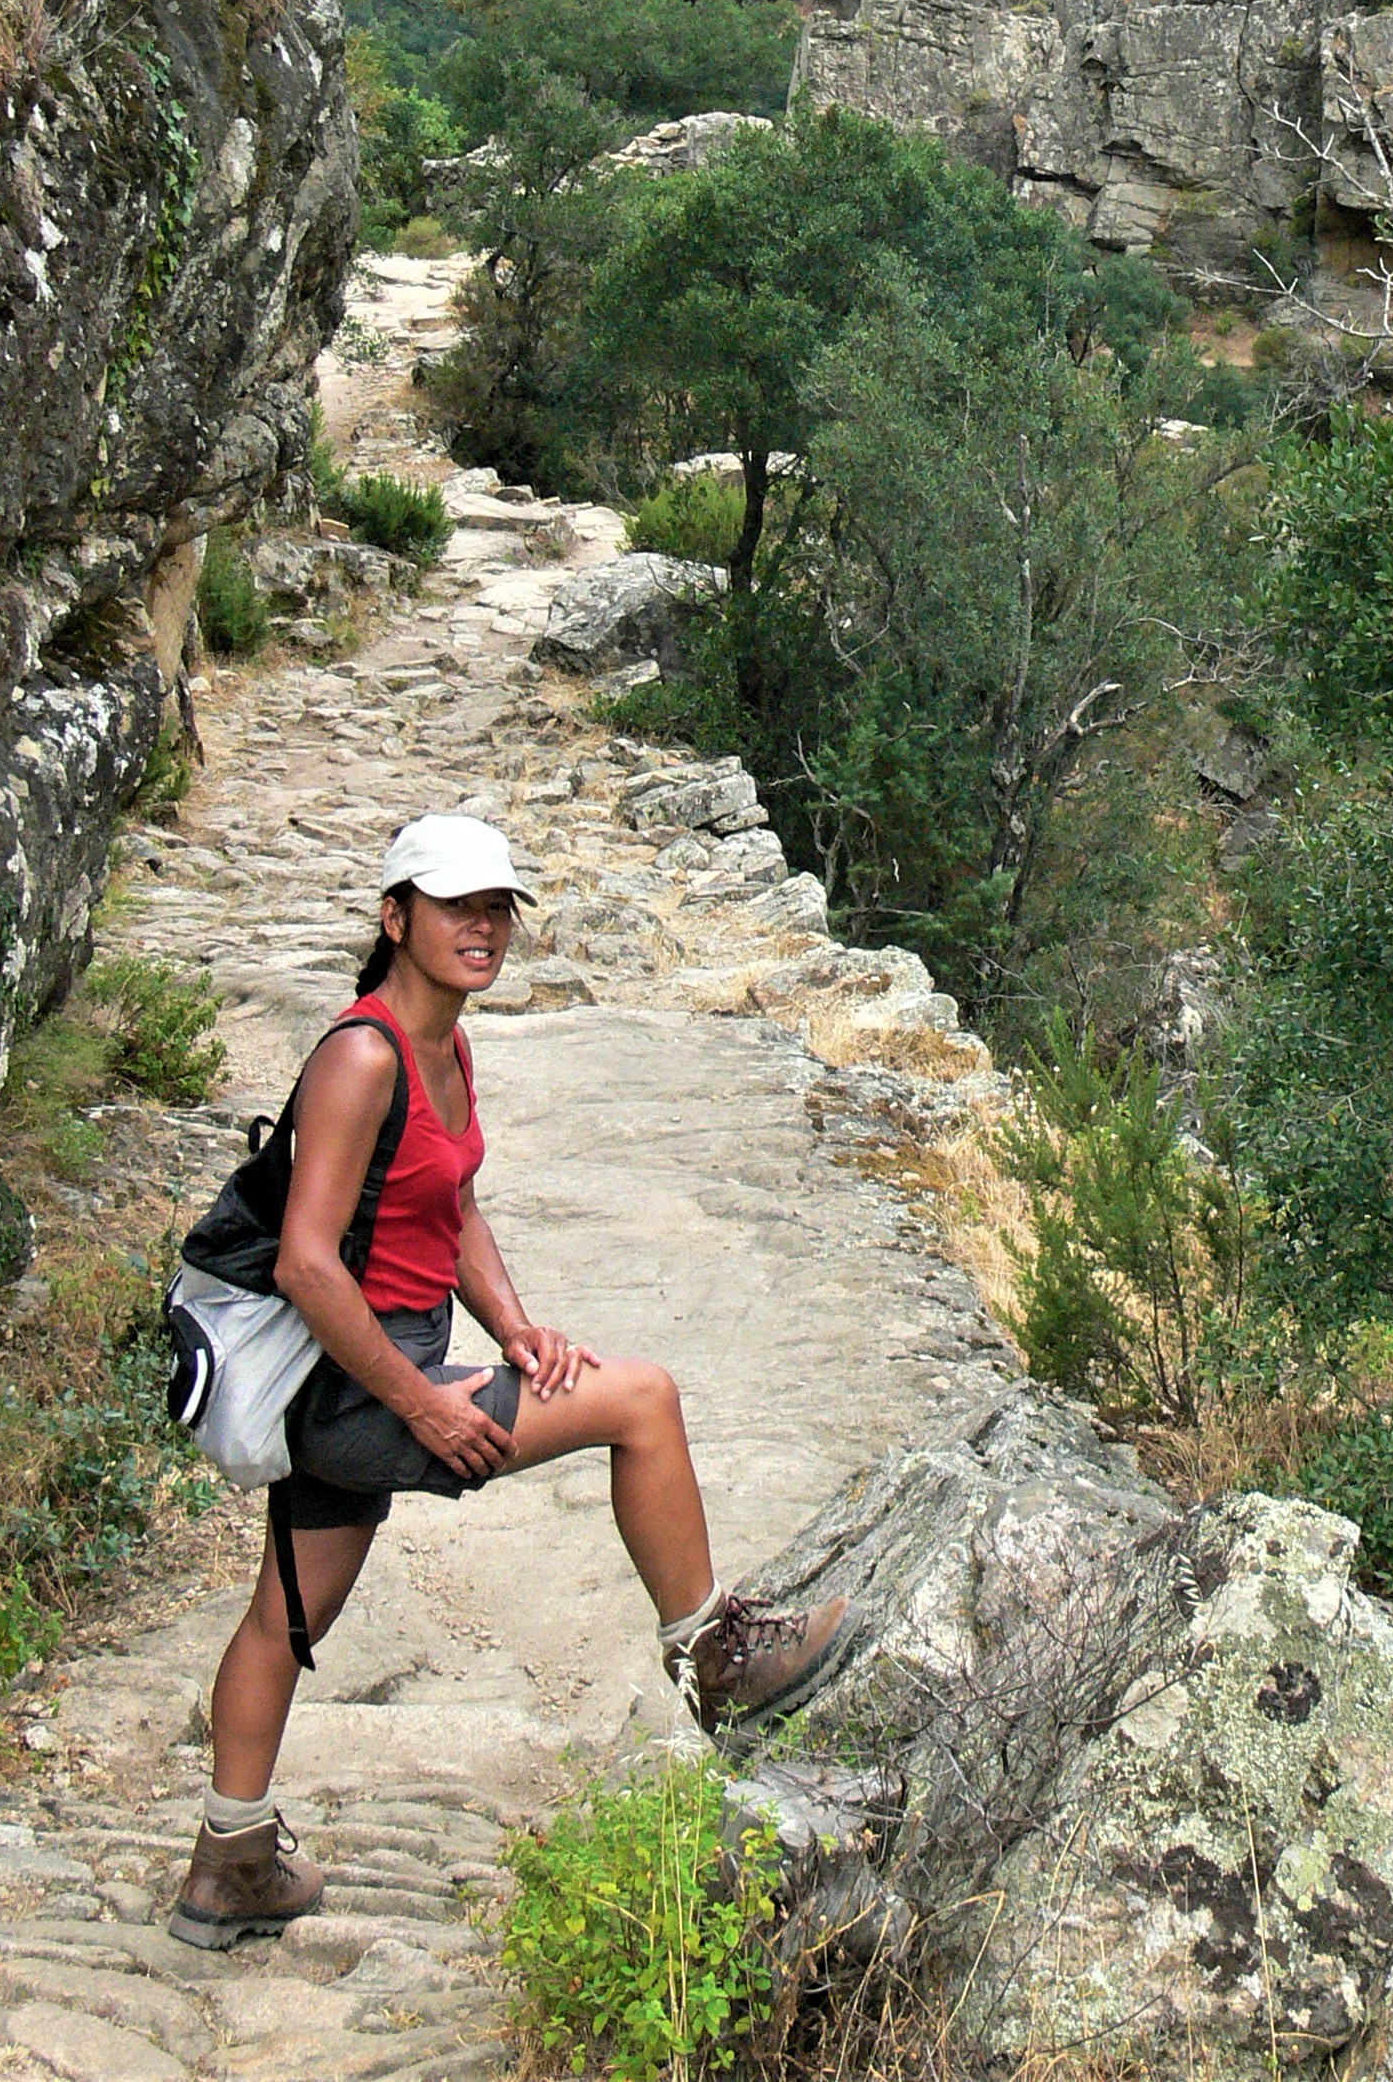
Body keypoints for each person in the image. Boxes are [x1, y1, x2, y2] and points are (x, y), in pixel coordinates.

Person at [169, 811, 847, 1953]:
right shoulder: (364, 1055)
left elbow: (454, 1207)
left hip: (355, 1380)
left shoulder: (445, 1044)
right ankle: (716, 1659)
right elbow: (306, 1263)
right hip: (358, 1385)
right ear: (396, 917)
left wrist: (517, 1329)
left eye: (497, 908)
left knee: (288, 1614)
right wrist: (423, 1400)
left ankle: (228, 1863)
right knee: (641, 1399)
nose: (483, 926)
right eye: (456, 907)